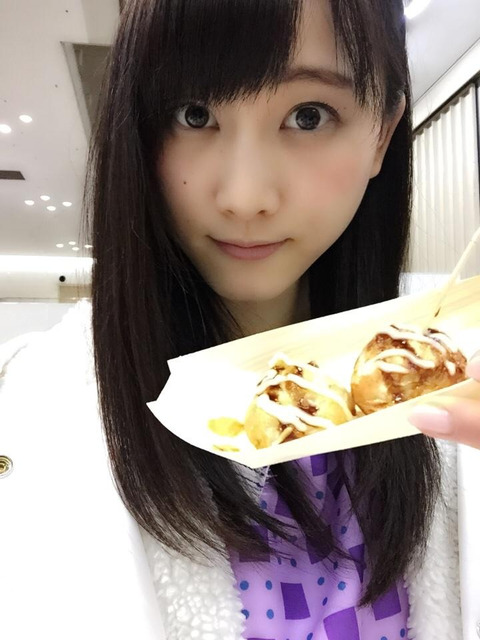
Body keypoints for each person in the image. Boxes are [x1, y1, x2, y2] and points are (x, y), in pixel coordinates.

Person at [1, 0, 479, 638]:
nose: (245, 197)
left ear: (383, 134)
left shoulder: (450, 371)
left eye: (309, 116)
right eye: (194, 114)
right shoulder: (35, 411)